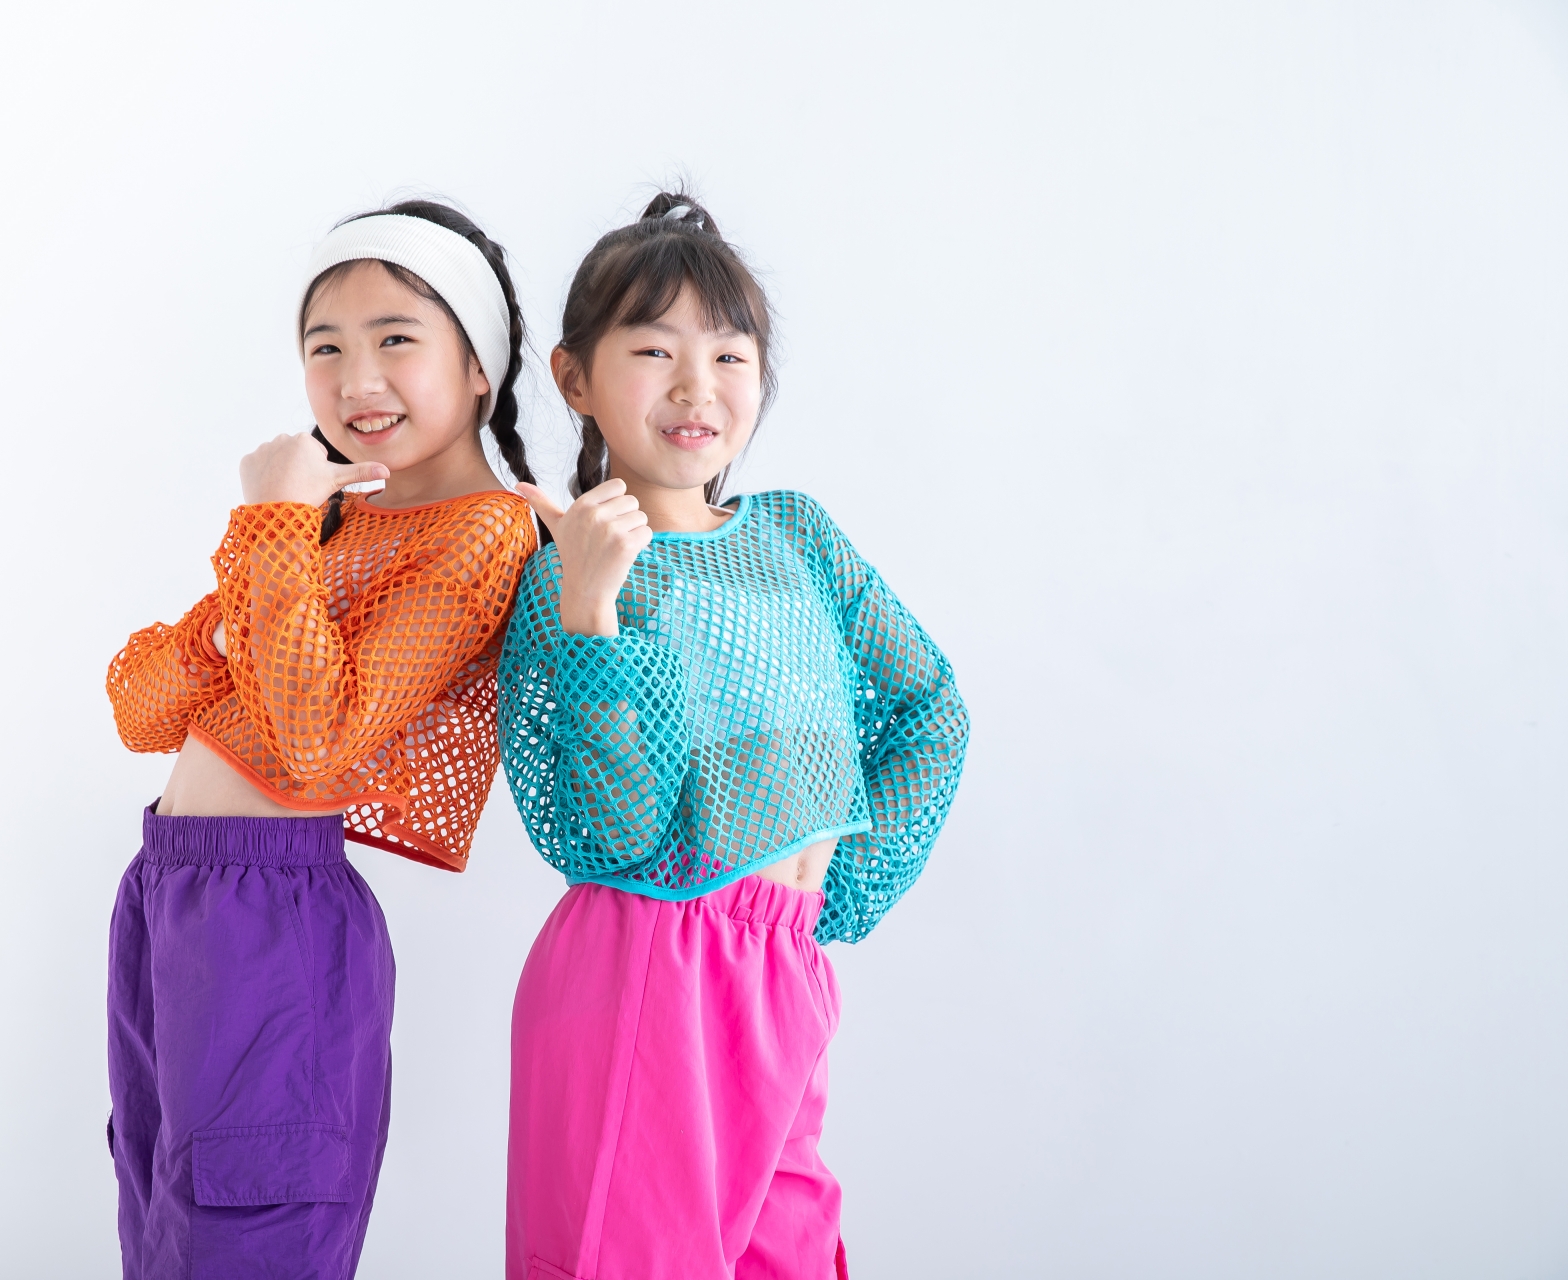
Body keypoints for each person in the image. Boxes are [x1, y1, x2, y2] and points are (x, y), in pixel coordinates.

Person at [499, 192, 970, 1280]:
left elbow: (930, 707)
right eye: (652, 350)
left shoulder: (796, 535)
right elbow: (614, 835)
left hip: (783, 969)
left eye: (727, 354)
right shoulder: (565, 573)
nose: (694, 386)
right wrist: (592, 608)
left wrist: (835, 889)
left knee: (788, 1253)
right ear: (574, 377)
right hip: (647, 970)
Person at [104, 200, 540, 1279]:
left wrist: (273, 528)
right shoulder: (326, 521)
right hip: (169, 890)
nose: (357, 380)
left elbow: (318, 738)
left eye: (396, 338)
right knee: (162, 1226)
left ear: (478, 366)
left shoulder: (482, 527)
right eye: (326, 347)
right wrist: (268, 554)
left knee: (246, 1232)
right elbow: (142, 710)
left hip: (273, 919)